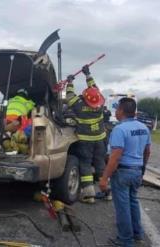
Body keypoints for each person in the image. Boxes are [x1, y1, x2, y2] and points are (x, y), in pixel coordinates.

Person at [99, 97, 151, 247]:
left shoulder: (119, 129)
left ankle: (125, 240)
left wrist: (104, 178)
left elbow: (115, 157)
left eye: (117, 109)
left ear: (121, 111)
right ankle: (137, 235)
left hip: (122, 172)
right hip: (137, 171)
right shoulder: (143, 128)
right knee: (133, 202)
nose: (116, 112)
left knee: (123, 207)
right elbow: (147, 151)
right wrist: (143, 169)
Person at [65, 65, 106, 203]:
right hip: (100, 140)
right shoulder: (100, 104)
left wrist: (70, 82)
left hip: (85, 141)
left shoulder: (79, 105)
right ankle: (107, 191)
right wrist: (87, 74)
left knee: (85, 164)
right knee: (100, 164)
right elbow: (95, 89)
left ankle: (89, 194)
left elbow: (70, 97)